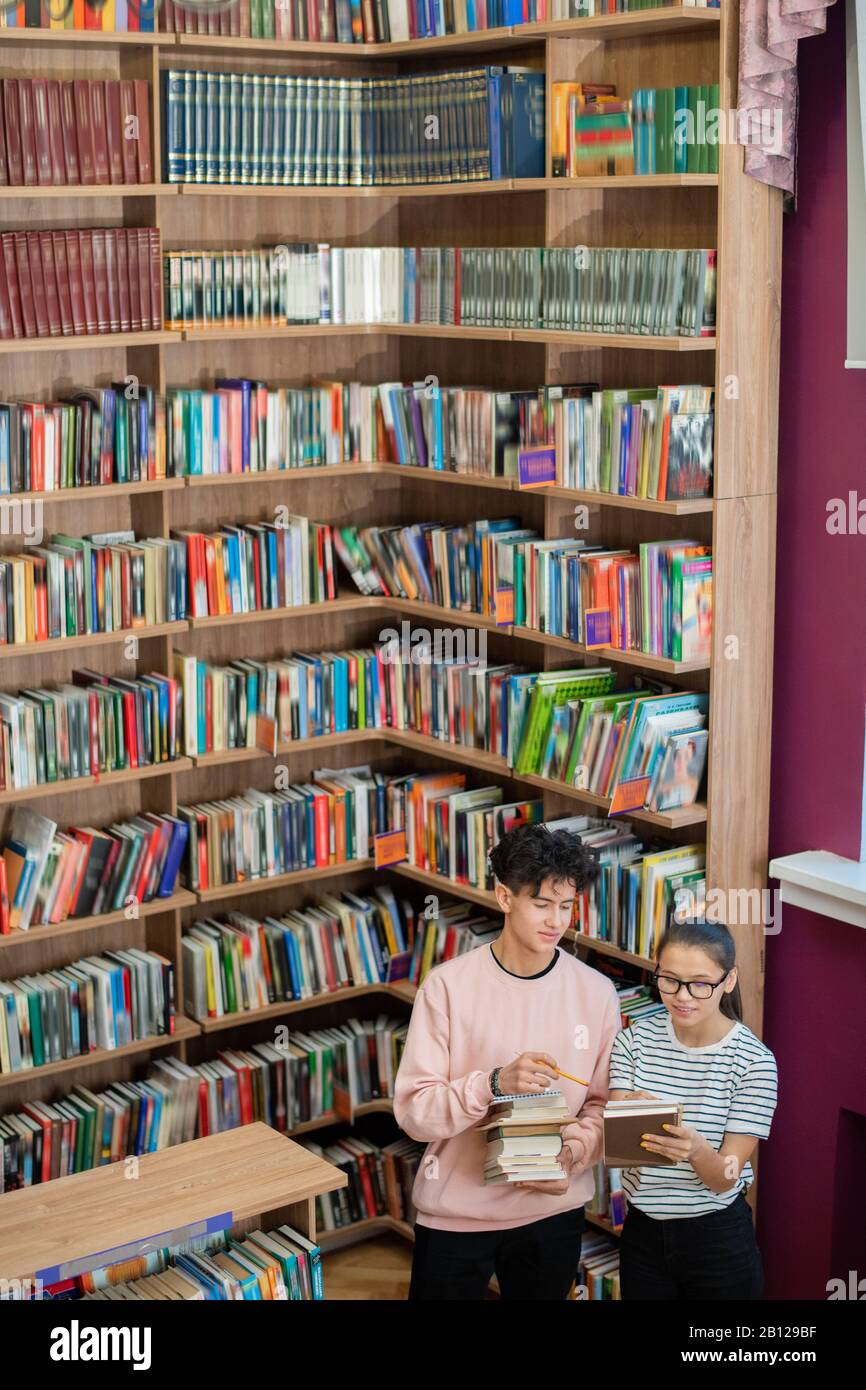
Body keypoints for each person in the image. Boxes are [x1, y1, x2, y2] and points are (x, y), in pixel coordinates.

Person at [393, 823, 621, 1301]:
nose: (556, 921)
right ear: (504, 896)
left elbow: (601, 1106)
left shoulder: (597, 993)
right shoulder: (447, 987)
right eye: (541, 904)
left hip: (552, 1215)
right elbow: (415, 1113)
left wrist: (576, 1151)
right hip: (456, 1215)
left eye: (566, 906)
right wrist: (495, 1082)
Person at [609, 916, 778, 1300]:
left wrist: (697, 1149)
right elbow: (617, 1152)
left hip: (716, 1237)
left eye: (700, 984)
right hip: (643, 1230)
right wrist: (628, 1117)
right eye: (669, 980)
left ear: (728, 981)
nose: (682, 997)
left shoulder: (754, 1063)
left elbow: (724, 1178)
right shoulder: (634, 1041)